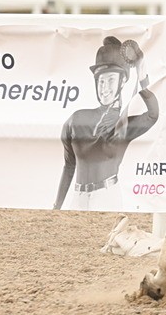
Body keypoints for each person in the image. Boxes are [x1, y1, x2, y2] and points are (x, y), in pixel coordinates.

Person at [54, 36, 159, 211]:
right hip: (78, 198)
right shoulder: (75, 119)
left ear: (122, 81)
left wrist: (142, 75)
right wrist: (56, 206)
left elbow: (152, 115)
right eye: (101, 81)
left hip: (106, 196)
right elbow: (69, 165)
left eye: (110, 80)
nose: (104, 88)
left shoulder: (124, 124)